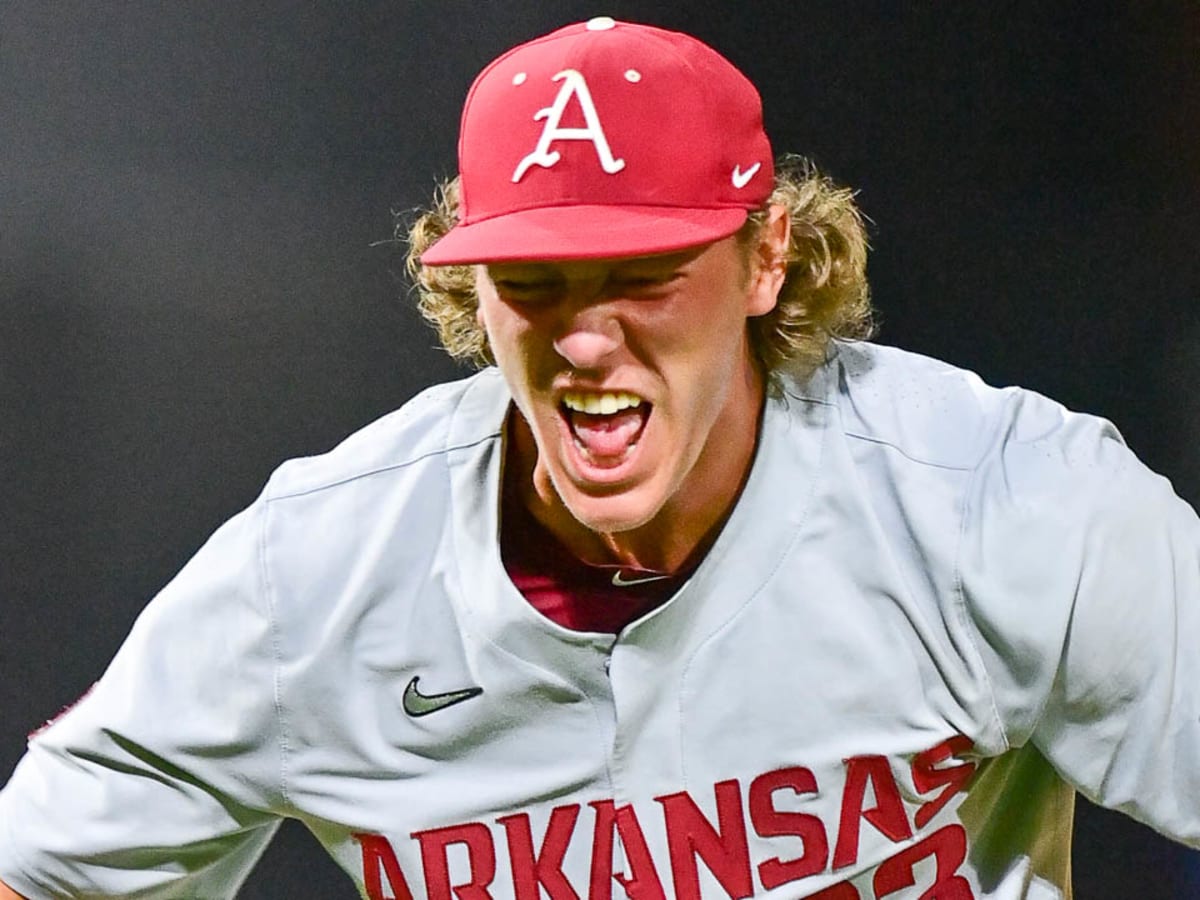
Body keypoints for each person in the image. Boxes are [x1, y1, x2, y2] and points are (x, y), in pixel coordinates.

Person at [1, 16, 1197, 900]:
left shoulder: (999, 500)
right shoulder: (313, 573)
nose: (583, 336)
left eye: (642, 274)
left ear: (766, 255)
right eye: (536, 279)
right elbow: (41, 875)